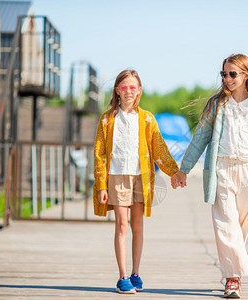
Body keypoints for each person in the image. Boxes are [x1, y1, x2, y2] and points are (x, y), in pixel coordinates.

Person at [172, 54, 248, 298]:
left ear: (246, 75)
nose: (227, 79)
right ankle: (233, 280)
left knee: (239, 229)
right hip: (222, 170)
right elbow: (199, 139)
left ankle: (233, 272)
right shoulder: (216, 105)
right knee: (225, 225)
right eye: (224, 74)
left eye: (232, 74)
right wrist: (183, 169)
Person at [93, 69, 179, 294]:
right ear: (117, 91)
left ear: (139, 90)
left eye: (133, 87)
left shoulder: (147, 119)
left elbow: (159, 149)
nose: (128, 91)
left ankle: (135, 273)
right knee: (121, 225)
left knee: (137, 226)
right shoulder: (107, 119)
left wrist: (175, 173)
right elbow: (100, 153)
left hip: (142, 177)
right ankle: (122, 277)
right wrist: (101, 184)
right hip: (117, 176)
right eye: (124, 87)